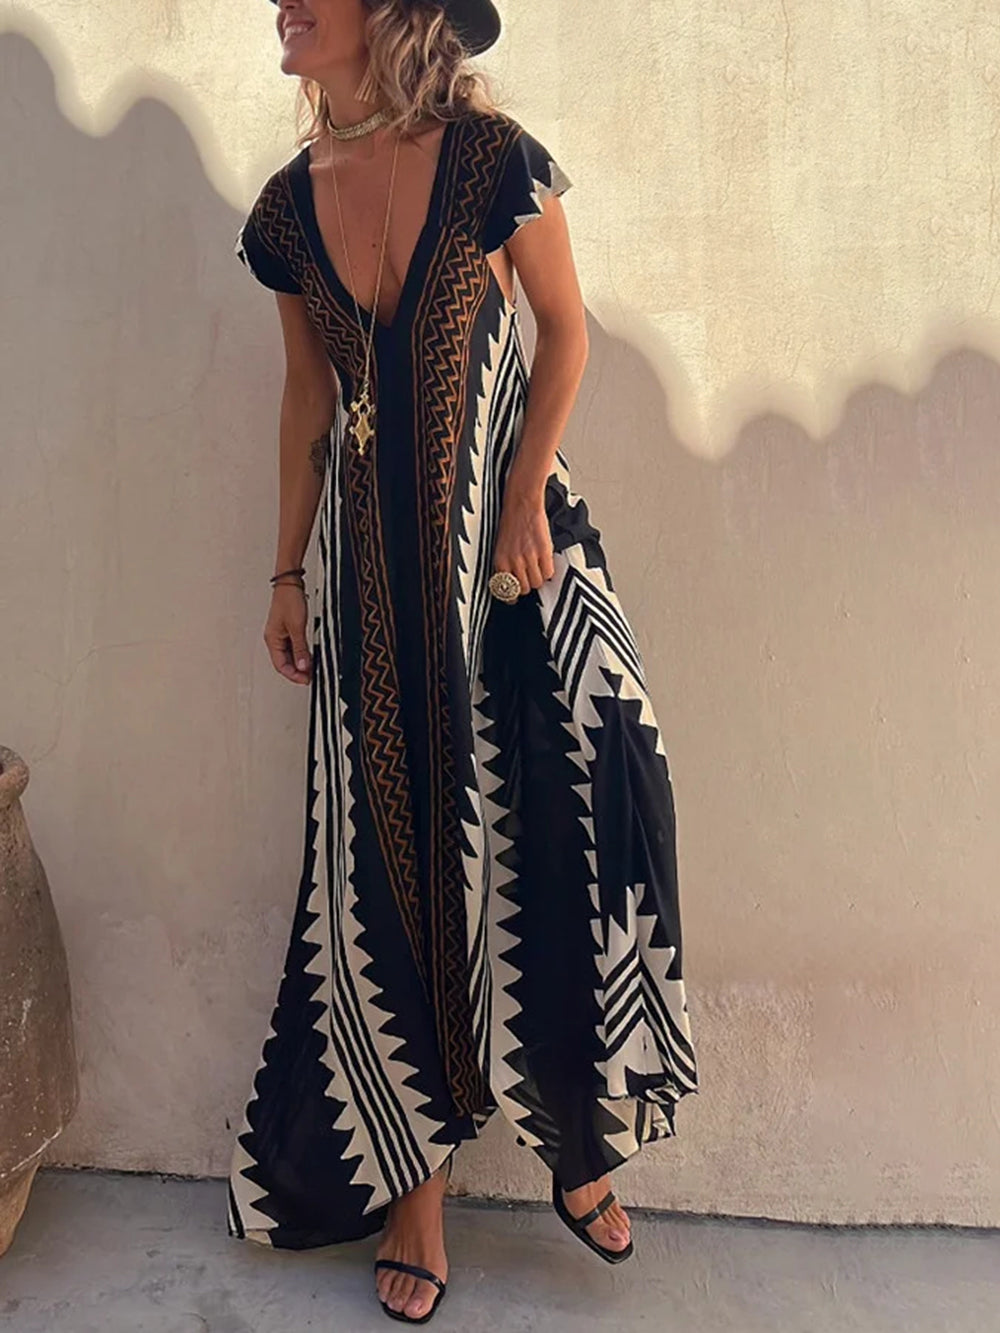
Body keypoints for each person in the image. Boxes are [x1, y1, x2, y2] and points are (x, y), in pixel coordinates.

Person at [226, 0, 699, 1322]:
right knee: (385, 871)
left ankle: (576, 1133)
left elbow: (565, 329)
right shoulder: (285, 209)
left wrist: (526, 489)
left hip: (512, 561)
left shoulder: (496, 163)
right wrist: (284, 571)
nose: (282, 4)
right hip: (369, 588)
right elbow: (308, 395)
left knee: (578, 814)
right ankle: (416, 1193)